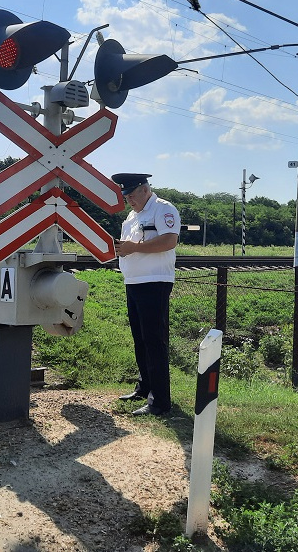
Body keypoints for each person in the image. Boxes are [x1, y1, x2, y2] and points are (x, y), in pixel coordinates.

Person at [110, 172, 181, 416]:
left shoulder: (163, 209)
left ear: (144, 189)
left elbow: (169, 241)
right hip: (134, 281)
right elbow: (129, 248)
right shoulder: (132, 216)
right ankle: (145, 387)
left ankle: (160, 401)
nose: (129, 199)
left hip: (154, 281)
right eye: (125, 195)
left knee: (154, 340)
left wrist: (133, 248)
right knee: (140, 339)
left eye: (131, 194)